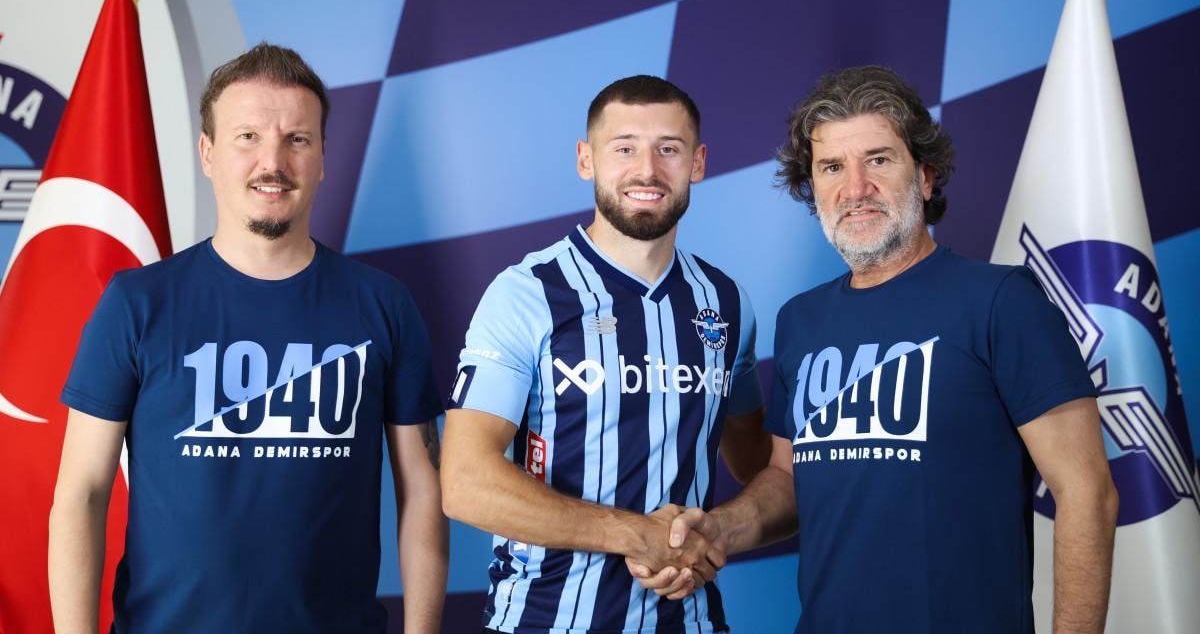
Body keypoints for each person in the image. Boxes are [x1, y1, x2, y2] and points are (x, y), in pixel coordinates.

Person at [632, 66, 1119, 633]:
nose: (856, 188)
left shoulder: (1001, 300)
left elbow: (1087, 492)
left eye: (879, 160)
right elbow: (789, 479)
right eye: (832, 167)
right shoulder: (801, 320)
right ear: (812, 187)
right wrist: (719, 529)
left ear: (926, 177)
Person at [47, 44, 447, 633]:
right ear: (207, 153)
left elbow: (422, 492)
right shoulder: (136, 304)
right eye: (248, 137)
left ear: (322, 157)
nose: (273, 161)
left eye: (297, 139)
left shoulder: (384, 305)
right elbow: (81, 494)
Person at [440, 75, 770, 634]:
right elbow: (466, 481)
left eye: (669, 149)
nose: (647, 170)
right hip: (543, 621)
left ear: (698, 163)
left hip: (689, 621)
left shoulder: (727, 303)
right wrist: (636, 534)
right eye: (624, 149)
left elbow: (759, 464)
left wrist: (708, 533)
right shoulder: (528, 292)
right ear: (586, 160)